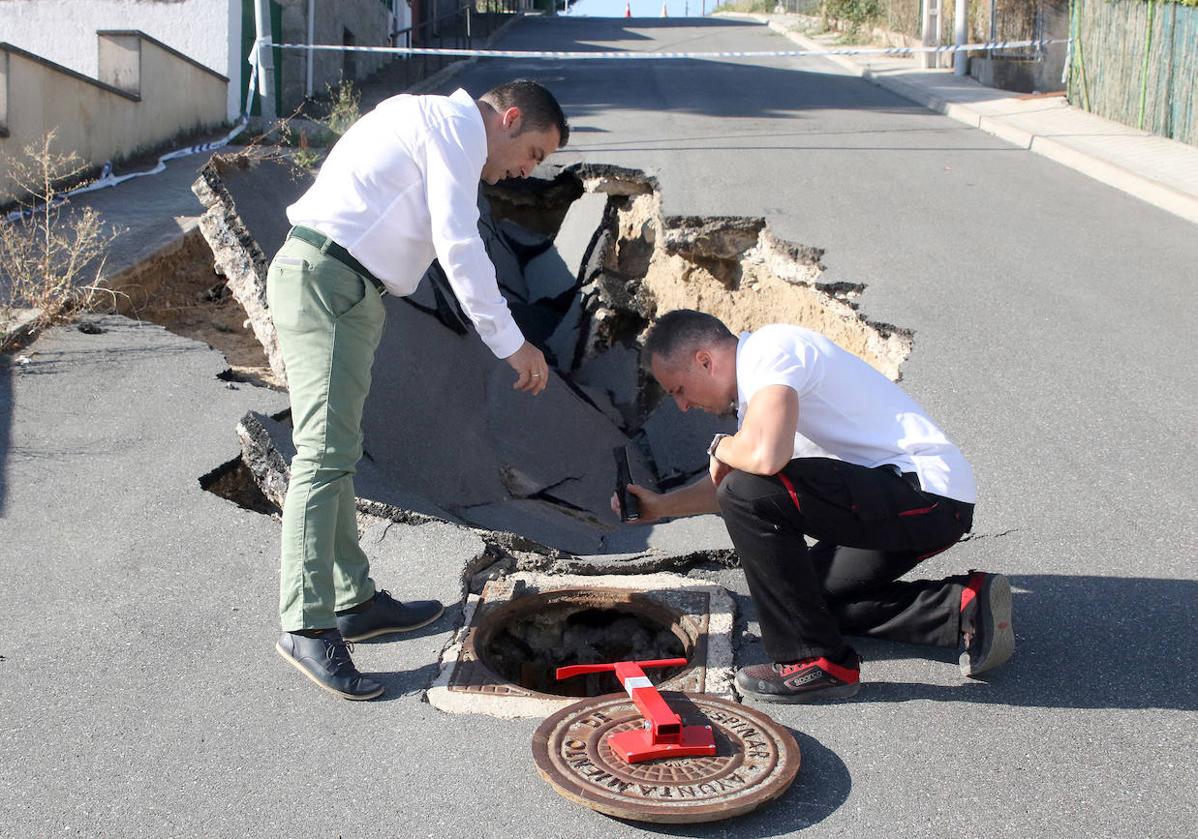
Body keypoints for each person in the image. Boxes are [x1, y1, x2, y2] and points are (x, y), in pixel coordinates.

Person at [267, 80, 569, 701]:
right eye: (534, 153)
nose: (524, 171)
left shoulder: (434, 124)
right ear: (508, 119)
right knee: (322, 456)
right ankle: (305, 622)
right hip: (326, 281)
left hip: (346, 286)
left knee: (339, 451)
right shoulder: (454, 130)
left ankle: (352, 600)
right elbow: (460, 246)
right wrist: (512, 343)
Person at [620, 309, 1014, 703]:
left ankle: (815, 663)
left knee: (746, 491)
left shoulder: (770, 351)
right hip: (899, 503)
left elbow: (761, 464)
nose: (683, 406)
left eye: (677, 390)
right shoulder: (760, 395)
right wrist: (660, 506)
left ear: (704, 361)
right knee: (799, 601)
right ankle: (963, 609)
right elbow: (736, 481)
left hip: (925, 492)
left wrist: (719, 445)